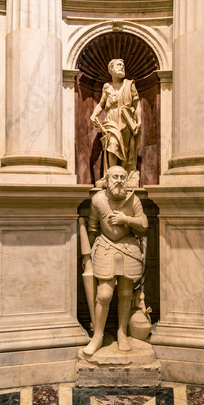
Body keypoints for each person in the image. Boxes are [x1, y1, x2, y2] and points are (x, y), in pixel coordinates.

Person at [83, 166, 148, 355]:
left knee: (126, 293)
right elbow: (92, 228)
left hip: (128, 247)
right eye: (115, 177)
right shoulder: (98, 200)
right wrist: (86, 256)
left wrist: (125, 219)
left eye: (122, 177)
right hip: (106, 247)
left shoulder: (133, 199)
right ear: (108, 179)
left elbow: (144, 223)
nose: (119, 181)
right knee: (104, 295)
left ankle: (122, 332)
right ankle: (98, 336)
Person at [90, 59, 141, 187]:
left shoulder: (129, 85)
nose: (122, 67)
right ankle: (110, 176)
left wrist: (139, 121)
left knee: (125, 150)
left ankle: (124, 178)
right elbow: (101, 104)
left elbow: (137, 105)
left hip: (126, 121)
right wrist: (94, 115)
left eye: (123, 65)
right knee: (112, 145)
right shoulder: (107, 87)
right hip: (111, 121)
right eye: (119, 65)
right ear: (111, 69)